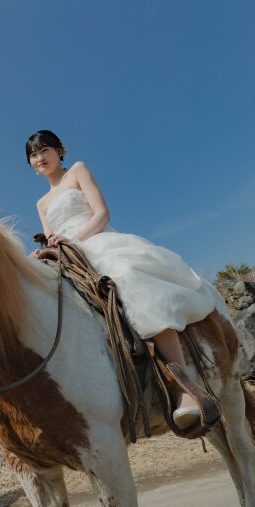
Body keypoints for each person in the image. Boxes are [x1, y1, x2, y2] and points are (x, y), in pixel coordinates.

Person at [27, 130, 227, 429]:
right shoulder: (41, 203)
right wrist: (45, 251)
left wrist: (74, 240)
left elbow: (102, 214)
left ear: (60, 150)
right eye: (32, 155)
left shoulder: (78, 170)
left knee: (132, 280)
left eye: (44, 150)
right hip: (68, 256)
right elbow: (49, 238)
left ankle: (184, 389)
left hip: (93, 239)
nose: (39, 158)